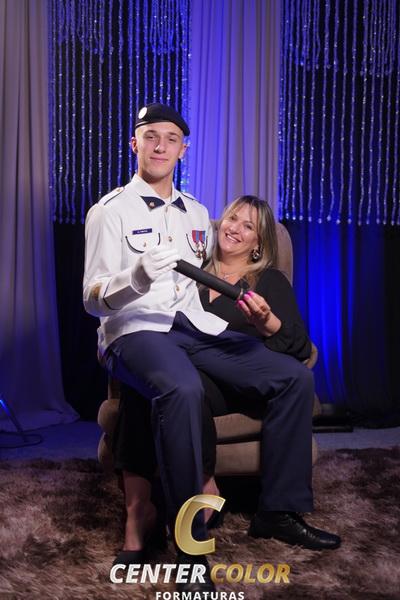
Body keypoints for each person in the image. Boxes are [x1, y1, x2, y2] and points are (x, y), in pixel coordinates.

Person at [84, 103, 340, 595]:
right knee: (182, 390)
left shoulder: (198, 213)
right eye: (150, 136)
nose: (160, 146)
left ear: (184, 149)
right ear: (134, 144)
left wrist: (260, 315)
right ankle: (191, 549)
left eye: (171, 138)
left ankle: (278, 511)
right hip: (136, 329)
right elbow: (92, 299)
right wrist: (134, 278)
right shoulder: (109, 211)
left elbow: (203, 290)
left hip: (194, 327)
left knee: (294, 378)